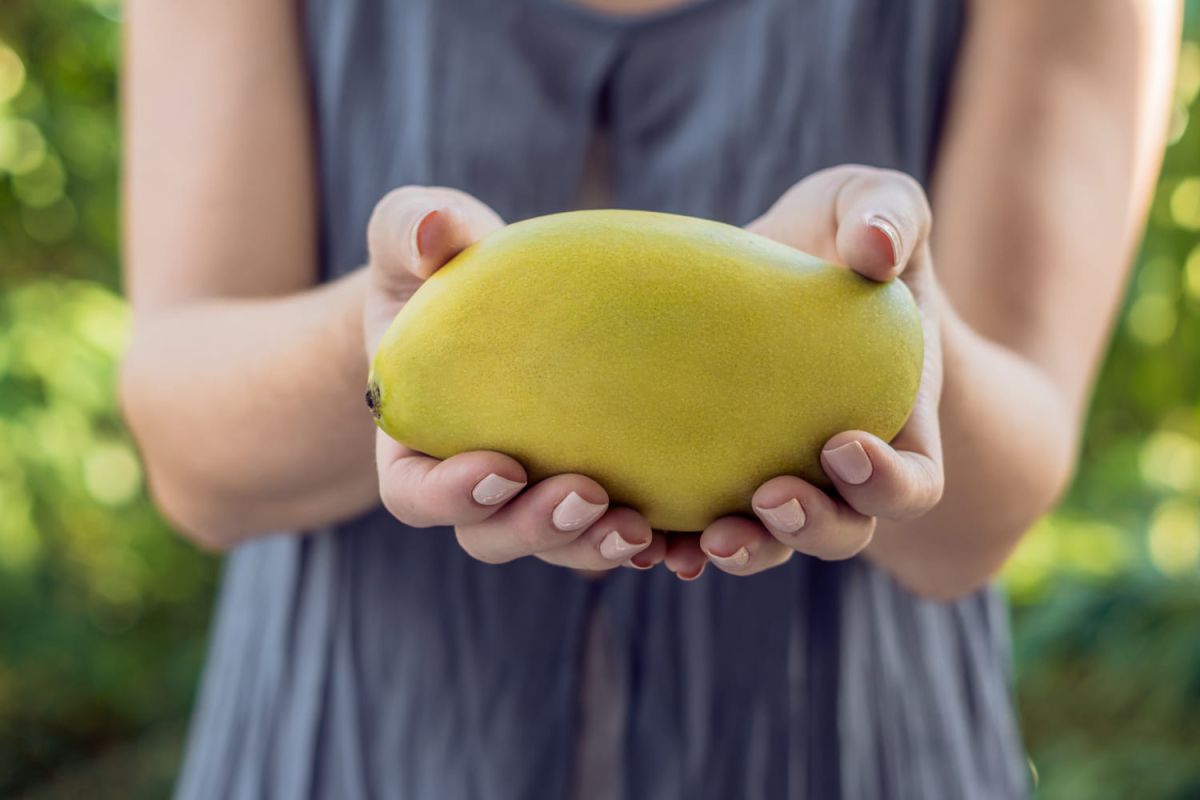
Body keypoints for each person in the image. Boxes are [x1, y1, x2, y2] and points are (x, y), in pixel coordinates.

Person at [118, 0, 1181, 797]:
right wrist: (400, 348)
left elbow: (987, 514)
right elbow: (190, 452)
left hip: (846, 751)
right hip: (352, 749)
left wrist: (897, 331)